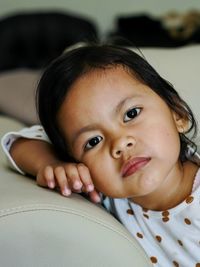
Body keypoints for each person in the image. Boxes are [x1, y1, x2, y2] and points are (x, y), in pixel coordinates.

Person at [1, 43, 200, 267]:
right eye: (93, 141)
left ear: (178, 114)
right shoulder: (104, 192)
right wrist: (52, 164)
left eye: (131, 114)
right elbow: (17, 144)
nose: (120, 143)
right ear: (76, 159)